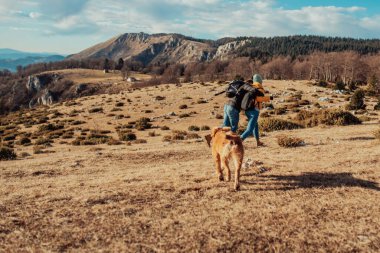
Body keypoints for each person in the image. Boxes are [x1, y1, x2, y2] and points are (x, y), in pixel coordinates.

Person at [240, 74, 269, 147]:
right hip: (254, 110)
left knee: (255, 126)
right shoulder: (259, 87)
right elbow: (259, 98)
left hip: (247, 110)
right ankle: (238, 141)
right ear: (260, 80)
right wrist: (268, 98)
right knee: (250, 129)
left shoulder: (250, 87)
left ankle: (258, 142)